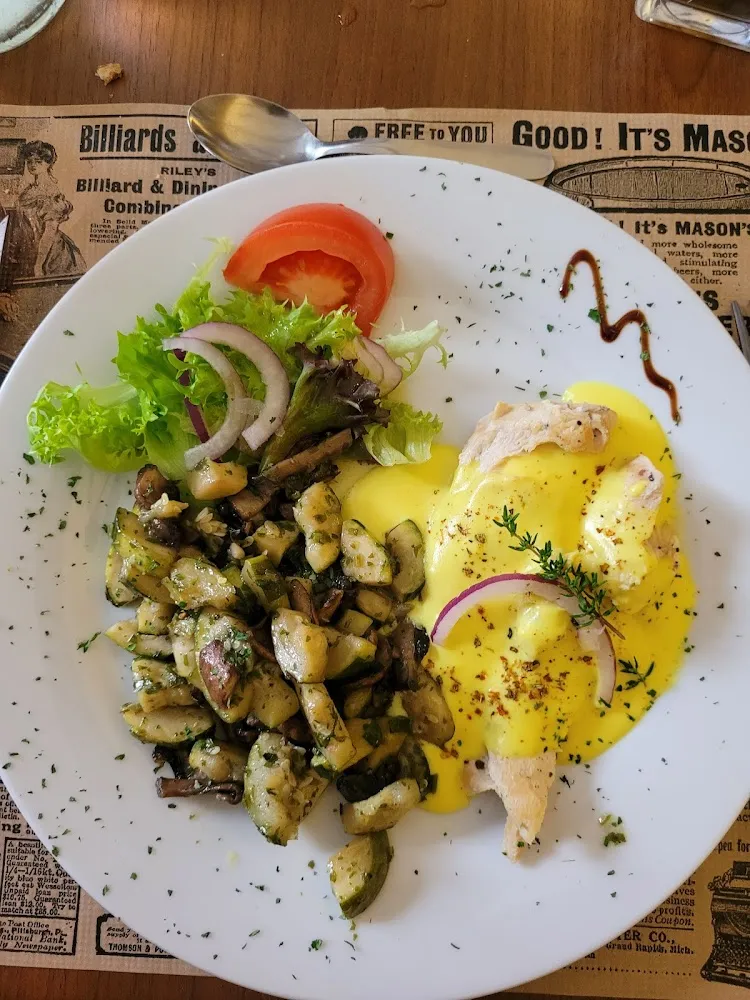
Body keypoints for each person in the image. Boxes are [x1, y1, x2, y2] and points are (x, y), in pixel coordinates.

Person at [14, 140, 85, 278]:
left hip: (51, 253)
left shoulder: (51, 192)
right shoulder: (30, 190)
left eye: (38, 161)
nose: (33, 165)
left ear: (48, 163)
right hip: (30, 247)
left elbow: (49, 231)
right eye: (29, 161)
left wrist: (39, 264)